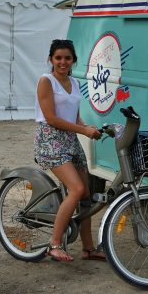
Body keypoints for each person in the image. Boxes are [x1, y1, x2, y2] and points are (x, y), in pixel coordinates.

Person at [34, 39, 104, 262]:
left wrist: (87, 127)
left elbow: (73, 116)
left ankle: (88, 248)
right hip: (51, 139)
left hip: (71, 139)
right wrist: (83, 130)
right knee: (76, 189)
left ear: (73, 60)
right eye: (58, 58)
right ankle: (53, 245)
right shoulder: (46, 81)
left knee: (86, 196)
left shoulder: (74, 82)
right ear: (50, 59)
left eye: (67, 58)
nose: (63, 62)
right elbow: (52, 118)